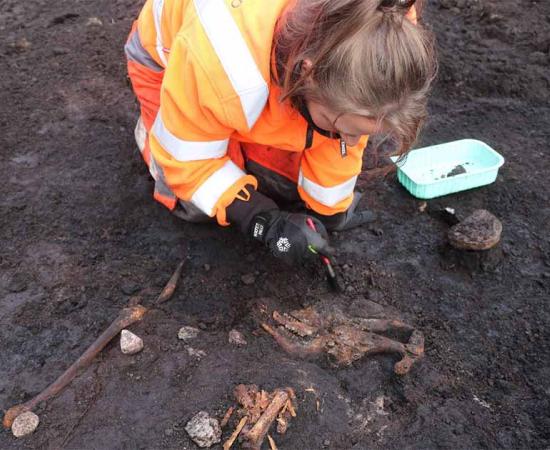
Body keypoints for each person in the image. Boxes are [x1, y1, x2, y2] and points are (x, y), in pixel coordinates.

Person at [125, 0, 436, 265]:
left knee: (284, 186)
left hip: (261, 84)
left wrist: (329, 212)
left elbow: (341, 139)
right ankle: (157, 130)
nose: (353, 142)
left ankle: (246, 128)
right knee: (196, 205)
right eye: (344, 128)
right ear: (307, 74)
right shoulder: (226, 59)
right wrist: (260, 219)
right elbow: (189, 164)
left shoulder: (387, 25)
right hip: (172, 65)